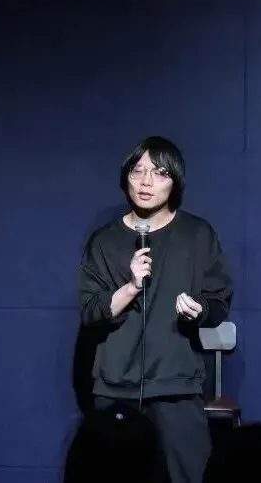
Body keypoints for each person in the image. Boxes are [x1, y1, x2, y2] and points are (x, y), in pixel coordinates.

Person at [79, 135, 234, 483]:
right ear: (126, 178)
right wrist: (131, 287)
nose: (146, 181)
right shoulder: (104, 241)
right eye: (138, 171)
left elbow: (219, 301)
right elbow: (89, 310)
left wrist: (199, 310)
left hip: (177, 386)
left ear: (175, 181)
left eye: (159, 172)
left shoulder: (197, 235)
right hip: (115, 389)